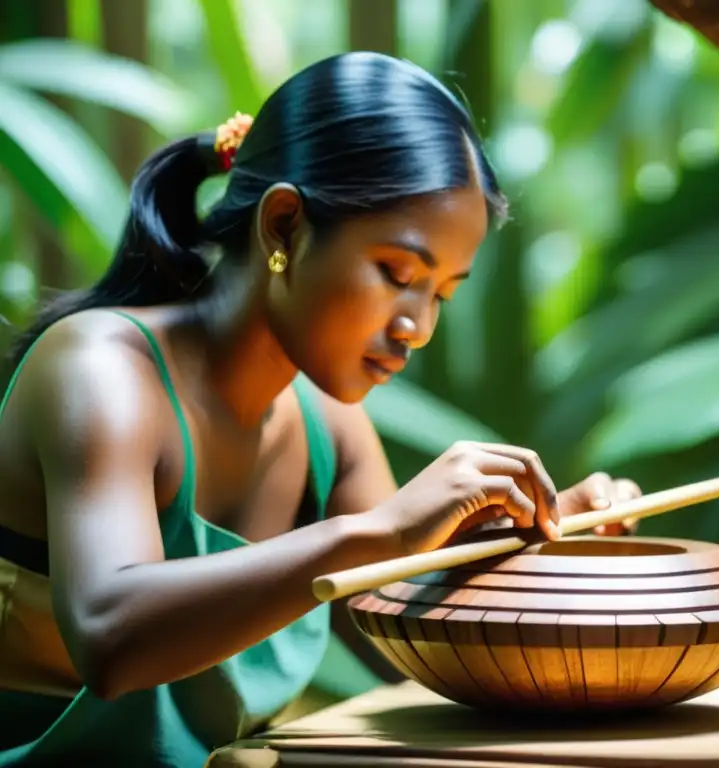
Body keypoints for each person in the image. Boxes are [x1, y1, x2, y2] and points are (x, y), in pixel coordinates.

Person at [0, 51, 641, 767]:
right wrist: (380, 532)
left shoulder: (327, 427)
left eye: (442, 294)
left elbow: (403, 642)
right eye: (397, 274)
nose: (417, 327)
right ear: (283, 227)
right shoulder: (100, 371)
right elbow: (110, 638)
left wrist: (543, 540)